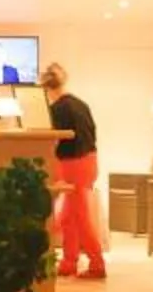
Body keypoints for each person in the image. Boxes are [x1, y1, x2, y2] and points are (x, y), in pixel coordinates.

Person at [37, 62, 106, 279]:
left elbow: (56, 140)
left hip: (73, 163)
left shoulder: (57, 109)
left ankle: (97, 263)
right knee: (69, 215)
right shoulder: (80, 104)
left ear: (46, 89)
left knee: (79, 214)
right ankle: (69, 262)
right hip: (90, 160)